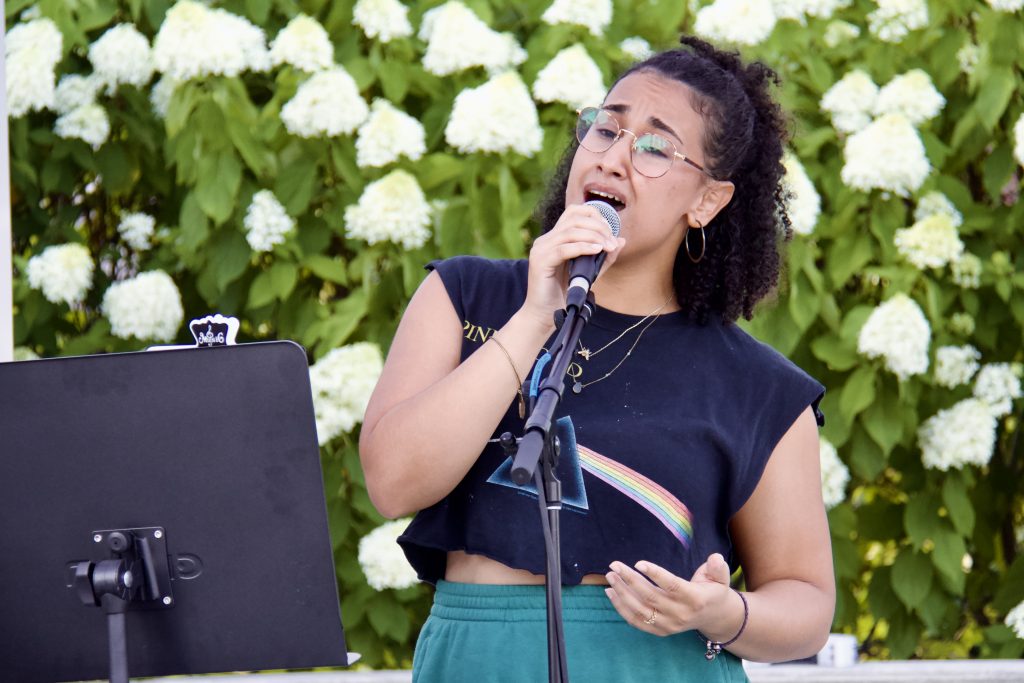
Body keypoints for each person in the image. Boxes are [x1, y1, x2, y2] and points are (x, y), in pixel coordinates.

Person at [359, 35, 835, 682]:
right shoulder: (464, 294)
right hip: (478, 659)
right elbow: (392, 481)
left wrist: (722, 611)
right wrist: (534, 317)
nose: (615, 157)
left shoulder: (756, 386)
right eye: (606, 130)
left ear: (707, 201)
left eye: (654, 147)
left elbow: (806, 603)